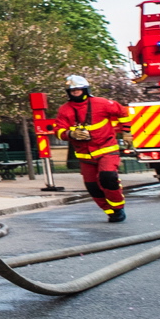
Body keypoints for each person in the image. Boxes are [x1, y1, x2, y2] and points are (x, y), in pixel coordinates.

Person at [48, 74, 131, 223]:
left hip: (106, 149)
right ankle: (110, 211)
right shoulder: (64, 110)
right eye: (72, 91)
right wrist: (70, 134)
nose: (75, 93)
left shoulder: (102, 103)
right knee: (92, 187)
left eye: (78, 90)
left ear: (85, 90)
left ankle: (118, 208)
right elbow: (58, 131)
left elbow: (122, 112)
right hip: (85, 155)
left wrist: (127, 132)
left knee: (108, 177)